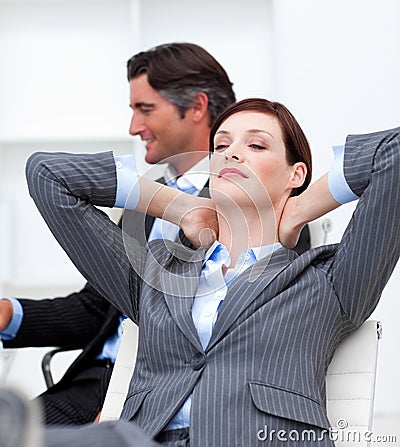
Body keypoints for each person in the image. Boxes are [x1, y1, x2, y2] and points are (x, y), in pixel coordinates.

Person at [22, 97, 399, 446]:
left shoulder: (330, 281)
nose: (231, 153)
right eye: (220, 146)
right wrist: (176, 205)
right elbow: (47, 175)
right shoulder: (154, 274)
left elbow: (393, 153)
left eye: (256, 145)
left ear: (295, 174)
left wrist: (302, 208)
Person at [0, 42, 240, 426]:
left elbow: (225, 329)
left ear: (196, 107)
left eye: (145, 110)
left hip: (154, 392)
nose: (133, 127)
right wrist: (10, 315)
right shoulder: (144, 203)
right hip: (91, 383)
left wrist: (135, 408)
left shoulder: (246, 204)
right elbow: (96, 310)